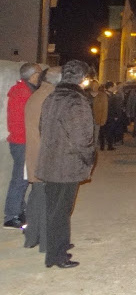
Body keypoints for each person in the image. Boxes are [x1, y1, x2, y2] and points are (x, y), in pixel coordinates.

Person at [36, 60, 95, 269]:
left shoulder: (51, 97)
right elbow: (83, 137)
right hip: (66, 164)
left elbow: (42, 127)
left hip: (50, 161)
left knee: (54, 208)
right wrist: (89, 158)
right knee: (61, 210)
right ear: (81, 78)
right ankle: (56, 255)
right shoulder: (76, 100)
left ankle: (55, 247)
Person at [23, 66, 60, 250]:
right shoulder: (50, 98)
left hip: (35, 155)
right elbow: (51, 132)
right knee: (48, 201)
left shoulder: (37, 94)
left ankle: (32, 238)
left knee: (36, 198)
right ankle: (47, 243)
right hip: (45, 157)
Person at [4, 62, 41, 230]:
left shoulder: (24, 90)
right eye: (39, 73)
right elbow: (23, 121)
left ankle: (18, 210)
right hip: (22, 142)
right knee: (20, 179)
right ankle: (11, 216)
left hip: (21, 140)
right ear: (33, 75)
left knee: (23, 179)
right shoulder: (24, 93)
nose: (41, 76)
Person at [101, 82, 122, 151]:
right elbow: (114, 107)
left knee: (108, 131)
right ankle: (105, 145)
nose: (115, 88)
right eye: (114, 86)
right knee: (107, 130)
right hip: (108, 115)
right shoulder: (105, 95)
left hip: (109, 115)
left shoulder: (112, 95)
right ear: (110, 87)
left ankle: (108, 145)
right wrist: (116, 115)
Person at [88, 81, 108, 150]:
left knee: (96, 133)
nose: (94, 87)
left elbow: (105, 108)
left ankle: (94, 147)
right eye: (93, 85)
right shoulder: (86, 95)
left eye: (96, 85)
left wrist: (103, 119)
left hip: (97, 116)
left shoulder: (102, 95)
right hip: (88, 118)